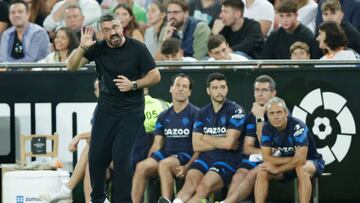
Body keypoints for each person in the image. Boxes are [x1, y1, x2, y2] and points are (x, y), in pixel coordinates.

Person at [66, 14, 161, 203]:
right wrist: (83, 46)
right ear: (102, 33)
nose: (113, 32)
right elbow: (71, 66)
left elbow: (155, 75)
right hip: (106, 110)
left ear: (122, 27)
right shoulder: (97, 49)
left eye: (115, 27)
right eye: (107, 30)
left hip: (131, 112)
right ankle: (99, 200)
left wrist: (133, 84)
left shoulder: (137, 48)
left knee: (121, 159)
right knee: (95, 158)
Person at [173, 73, 246, 203]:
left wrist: (205, 137)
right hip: (205, 158)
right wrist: (221, 140)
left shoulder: (236, 111)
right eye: (215, 88)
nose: (219, 91)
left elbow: (229, 144)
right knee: (189, 184)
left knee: (203, 187)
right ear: (208, 90)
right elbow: (196, 145)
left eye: (222, 87)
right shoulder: (202, 113)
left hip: (227, 159)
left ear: (227, 89)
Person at [132, 73, 200, 203]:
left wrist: (188, 166)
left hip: (186, 155)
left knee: (164, 164)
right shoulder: (163, 115)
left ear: (189, 92)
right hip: (166, 154)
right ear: (171, 88)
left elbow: (200, 147)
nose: (180, 89)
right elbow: (157, 145)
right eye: (177, 85)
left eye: (185, 86)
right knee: (141, 167)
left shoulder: (197, 114)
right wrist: (150, 161)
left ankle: (166, 200)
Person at [39, 79, 100, 203]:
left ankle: (67, 189)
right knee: (90, 161)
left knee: (89, 150)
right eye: (99, 89)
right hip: (107, 155)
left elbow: (104, 134)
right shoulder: (99, 109)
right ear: (95, 92)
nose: (103, 91)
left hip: (123, 156)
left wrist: (79, 136)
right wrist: (87, 138)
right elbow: (96, 137)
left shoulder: (114, 106)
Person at [254, 97, 325, 203]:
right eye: (272, 113)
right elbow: (267, 157)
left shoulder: (298, 126)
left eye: (279, 112)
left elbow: (301, 160)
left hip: (310, 161)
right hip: (289, 164)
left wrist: (278, 169)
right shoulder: (267, 128)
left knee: (301, 169)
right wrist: (291, 160)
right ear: (267, 115)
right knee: (262, 171)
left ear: (286, 113)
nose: (276, 116)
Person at [219, 75, 276, 203]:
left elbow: (269, 146)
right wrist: (263, 153)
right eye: (257, 90)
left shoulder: (279, 112)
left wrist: (260, 118)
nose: (260, 94)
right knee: (238, 175)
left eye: (265, 90)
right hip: (257, 156)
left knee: (253, 174)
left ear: (273, 93)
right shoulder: (252, 115)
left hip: (277, 159)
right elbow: (247, 147)